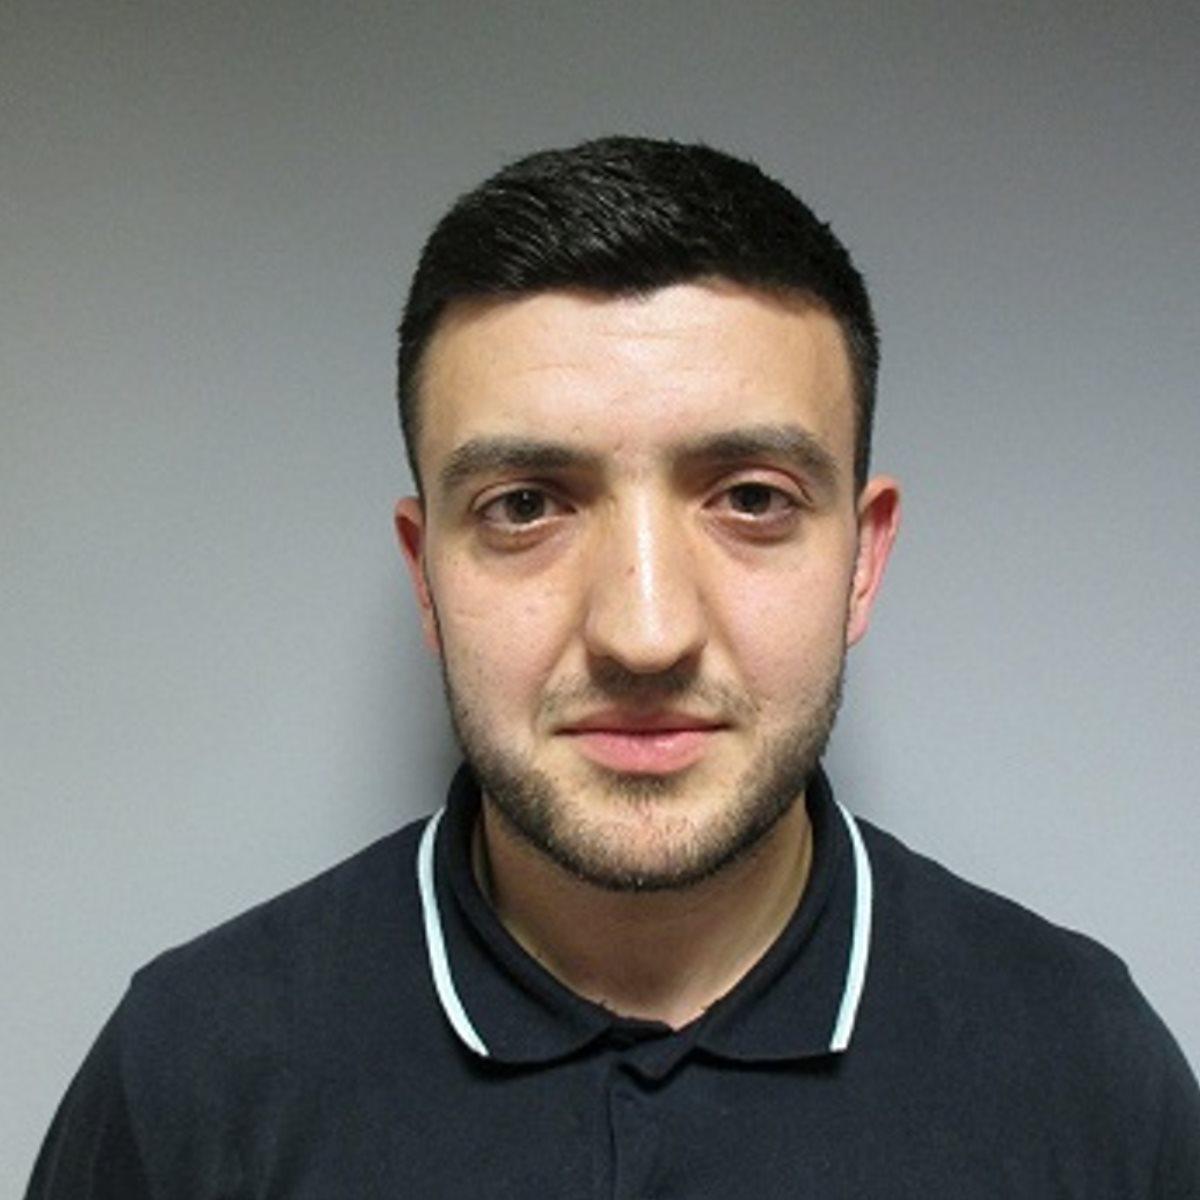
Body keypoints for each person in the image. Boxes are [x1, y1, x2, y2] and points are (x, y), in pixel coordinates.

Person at [26, 136, 1199, 1198]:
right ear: (425, 573)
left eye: (752, 499)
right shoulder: (189, 1077)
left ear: (863, 559)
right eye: (525, 505)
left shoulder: (1087, 1075)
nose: (644, 633)